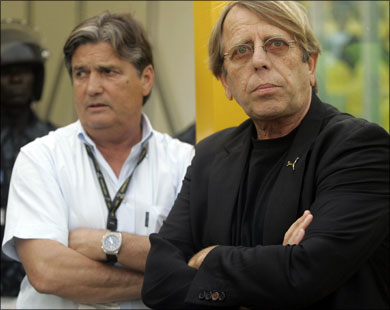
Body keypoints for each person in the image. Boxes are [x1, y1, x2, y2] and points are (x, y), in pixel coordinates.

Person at [142, 1, 389, 309]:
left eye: (276, 44)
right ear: (225, 81)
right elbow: (158, 281)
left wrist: (209, 258)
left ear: (310, 65)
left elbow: (306, 274)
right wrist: (271, 273)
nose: (258, 60)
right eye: (241, 50)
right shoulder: (208, 156)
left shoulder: (358, 148)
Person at [2, 11, 194, 309]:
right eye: (81, 73)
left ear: (145, 79)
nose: (92, 87)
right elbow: (48, 272)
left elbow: (198, 257)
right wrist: (165, 280)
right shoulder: (40, 158)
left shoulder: (185, 163)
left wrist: (104, 243)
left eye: (108, 72)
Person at [1, 19, 56, 299]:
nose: (15, 79)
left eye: (23, 71)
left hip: (40, 289)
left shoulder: (55, 143)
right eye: (6, 72)